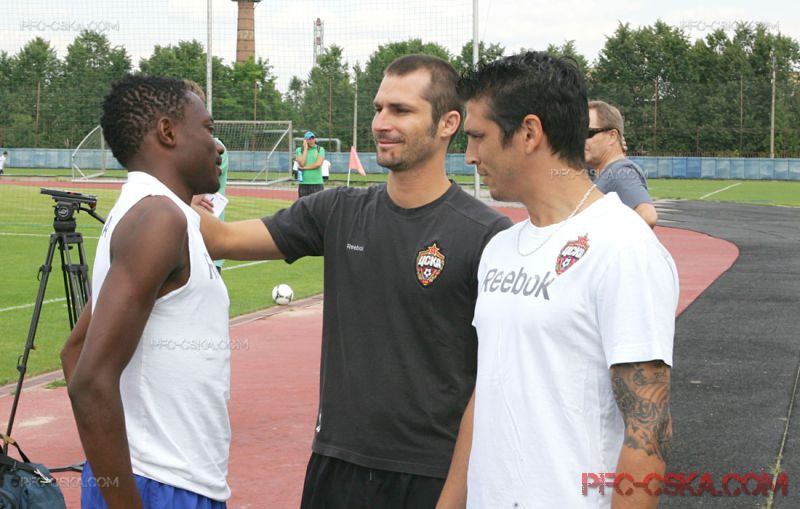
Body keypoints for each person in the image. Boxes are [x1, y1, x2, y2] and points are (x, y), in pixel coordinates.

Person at [196, 54, 512, 508]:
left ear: (448, 123)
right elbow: (222, 238)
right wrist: (163, 184)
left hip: (429, 475)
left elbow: (495, 382)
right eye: (379, 108)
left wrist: (455, 497)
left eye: (401, 110)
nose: (381, 122)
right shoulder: (337, 212)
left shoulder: (487, 235)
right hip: (336, 465)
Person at [441, 52, 678, 508]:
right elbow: (488, 392)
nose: (469, 156)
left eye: (477, 136)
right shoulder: (500, 249)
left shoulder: (623, 246)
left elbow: (648, 428)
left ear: (529, 132)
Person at [60, 75, 230, 509]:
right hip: (161, 485)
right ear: (168, 132)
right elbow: (89, 381)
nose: (218, 146)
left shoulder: (153, 213)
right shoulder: (158, 219)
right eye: (208, 128)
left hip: (163, 479)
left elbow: (75, 349)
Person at [585, 100, 658, 227]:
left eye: (587, 133)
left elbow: (648, 217)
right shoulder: (603, 171)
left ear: (612, 136)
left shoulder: (621, 171)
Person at [184, 79, 230, 273]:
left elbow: (192, 198)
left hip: (207, 245)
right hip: (181, 245)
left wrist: (184, 200)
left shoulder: (215, 148)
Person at [295, 130, 326, 197]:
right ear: (305, 141)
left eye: (312, 138)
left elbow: (318, 164)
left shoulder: (320, 149)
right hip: (304, 183)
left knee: (318, 203)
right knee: (303, 203)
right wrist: (305, 148)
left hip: (317, 183)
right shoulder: (299, 150)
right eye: (309, 139)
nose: (311, 140)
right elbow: (302, 163)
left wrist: (304, 168)